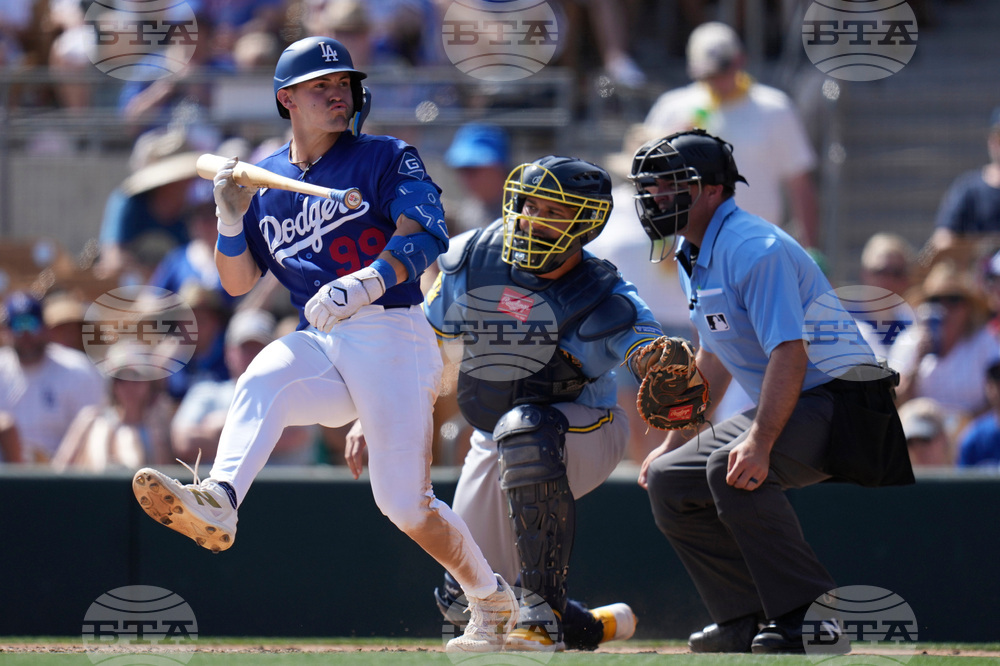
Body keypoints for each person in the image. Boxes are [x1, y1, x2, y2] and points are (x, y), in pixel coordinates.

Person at [129, 36, 518, 653]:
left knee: (403, 506)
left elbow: (426, 237)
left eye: (344, 84)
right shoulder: (271, 179)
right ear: (286, 98)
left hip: (393, 330)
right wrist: (231, 220)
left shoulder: (385, 156)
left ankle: (492, 601)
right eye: (321, 86)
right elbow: (236, 283)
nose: (339, 94)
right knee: (264, 373)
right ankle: (221, 501)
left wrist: (364, 283)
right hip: (326, 334)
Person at [349, 155, 653, 650]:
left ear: (587, 221)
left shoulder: (602, 288)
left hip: (586, 429)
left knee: (526, 429)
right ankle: (594, 625)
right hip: (495, 434)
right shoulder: (475, 256)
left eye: (553, 210)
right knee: (464, 595)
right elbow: (425, 345)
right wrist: (375, 413)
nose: (535, 218)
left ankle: (545, 615)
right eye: (530, 205)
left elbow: (647, 346)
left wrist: (659, 364)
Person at [630, 130, 914, 654]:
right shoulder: (698, 251)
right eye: (651, 188)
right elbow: (713, 357)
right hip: (799, 398)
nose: (655, 198)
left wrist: (759, 441)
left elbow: (790, 350)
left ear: (713, 191)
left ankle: (813, 620)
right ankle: (743, 616)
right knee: (671, 479)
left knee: (731, 466)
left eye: (670, 186)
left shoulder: (753, 247)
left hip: (845, 403)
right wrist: (673, 440)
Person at [641, 22, 820, 250]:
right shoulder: (672, 108)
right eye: (708, 74)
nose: (716, 80)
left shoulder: (775, 108)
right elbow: (646, 180)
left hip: (758, 248)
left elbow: (800, 185)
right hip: (687, 252)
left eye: (722, 70)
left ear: (740, 60)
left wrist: (811, 250)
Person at [171, 308, 316, 465]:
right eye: (245, 348)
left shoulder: (292, 393)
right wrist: (268, 431)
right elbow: (185, 442)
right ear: (229, 352)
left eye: (259, 347)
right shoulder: (205, 392)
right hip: (216, 488)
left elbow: (295, 436)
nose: (253, 355)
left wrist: (221, 426)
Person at [889, 260, 997, 439]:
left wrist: (967, 425)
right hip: (919, 438)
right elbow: (894, 400)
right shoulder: (909, 342)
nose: (944, 308)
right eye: (935, 300)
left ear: (968, 308)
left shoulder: (984, 341)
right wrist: (917, 360)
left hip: (973, 435)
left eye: (953, 300)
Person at [0, 291, 104, 463]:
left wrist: (56, 472)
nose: (25, 333)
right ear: (6, 332)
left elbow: (93, 433)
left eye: (32, 324)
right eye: (18, 325)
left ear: (45, 328)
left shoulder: (77, 369)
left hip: (64, 477)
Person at [52, 342, 175, 472]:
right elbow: (59, 471)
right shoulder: (90, 420)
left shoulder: (161, 425)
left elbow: (167, 476)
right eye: (121, 379)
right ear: (112, 385)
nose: (129, 387)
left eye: (136, 379)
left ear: (149, 384)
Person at [930, 106, 1000, 254]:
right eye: (998, 137)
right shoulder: (968, 188)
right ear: (990, 140)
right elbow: (941, 240)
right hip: (973, 273)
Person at [442, 123, 511, 235]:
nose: (466, 177)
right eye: (462, 170)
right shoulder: (468, 212)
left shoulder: (524, 211)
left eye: (473, 169)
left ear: (498, 167)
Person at [897, 397, 954, 468]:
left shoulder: (965, 476)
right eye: (910, 442)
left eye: (925, 440)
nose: (918, 449)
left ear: (944, 439)